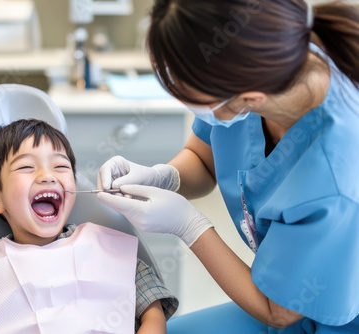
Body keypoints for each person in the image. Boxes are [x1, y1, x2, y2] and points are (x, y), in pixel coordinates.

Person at [96, 0, 359, 333]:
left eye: (190, 95)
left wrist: (188, 226)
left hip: (321, 314)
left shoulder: (337, 174)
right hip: (278, 298)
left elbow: (278, 312)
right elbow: (203, 161)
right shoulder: (251, 77)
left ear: (250, 98)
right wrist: (164, 177)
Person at [0, 119, 178, 334]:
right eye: (26, 167)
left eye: (61, 167)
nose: (48, 176)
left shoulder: (106, 247)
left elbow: (152, 310)